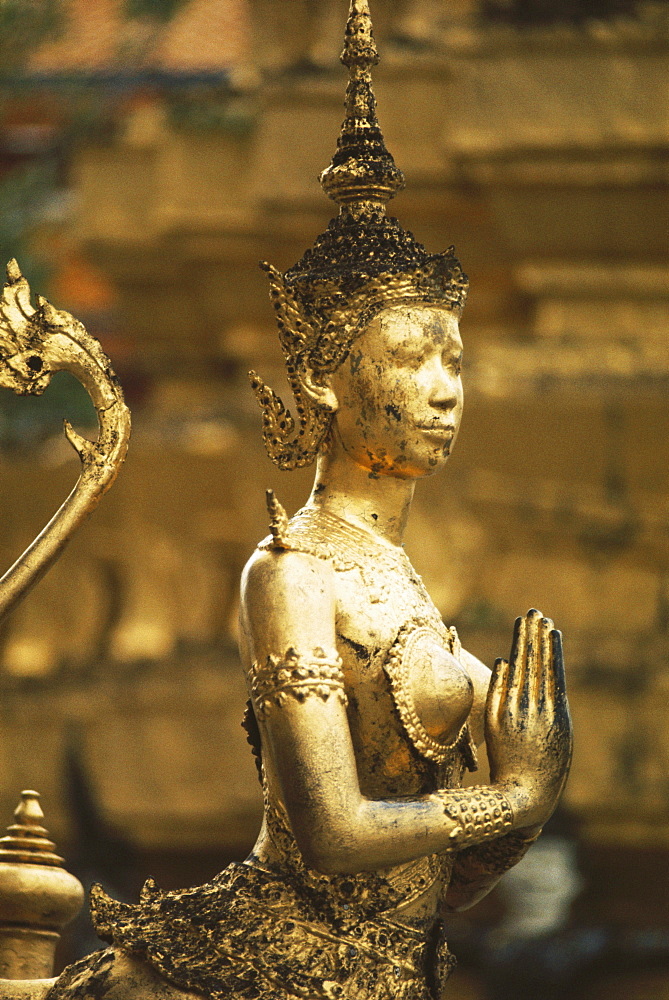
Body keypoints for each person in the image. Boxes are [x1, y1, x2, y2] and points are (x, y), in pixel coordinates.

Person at [43, 3, 572, 999]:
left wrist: (522, 808)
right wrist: (510, 799)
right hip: (287, 962)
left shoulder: (412, 579)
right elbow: (333, 833)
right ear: (327, 382)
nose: (446, 386)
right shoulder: (291, 570)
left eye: (456, 359)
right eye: (413, 358)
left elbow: (433, 880)